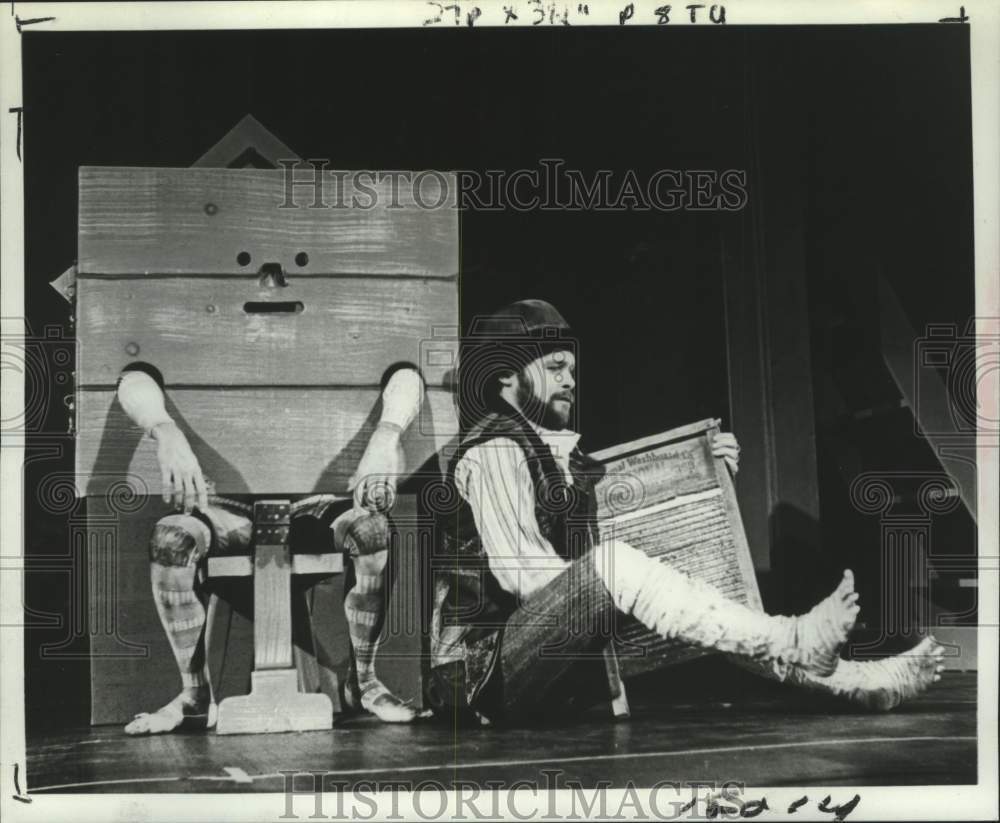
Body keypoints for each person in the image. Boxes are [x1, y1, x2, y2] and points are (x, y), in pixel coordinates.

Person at [427, 299, 945, 725]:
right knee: (624, 569)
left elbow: (614, 526)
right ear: (503, 379)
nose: (570, 380)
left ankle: (855, 682)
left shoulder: (554, 454)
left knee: (694, 591)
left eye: (573, 370)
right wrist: (626, 586)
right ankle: (794, 639)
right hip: (478, 674)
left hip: (534, 661)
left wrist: (702, 469)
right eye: (554, 368)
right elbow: (522, 573)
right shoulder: (492, 450)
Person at [118, 364, 428, 733]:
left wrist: (387, 433)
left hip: (315, 507)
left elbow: (407, 375)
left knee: (372, 529)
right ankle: (195, 697)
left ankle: (363, 682)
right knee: (171, 540)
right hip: (222, 511)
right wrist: (164, 430)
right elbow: (132, 376)